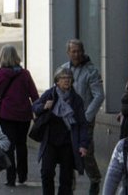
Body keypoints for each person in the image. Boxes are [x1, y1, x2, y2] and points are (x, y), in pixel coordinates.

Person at [35, 66, 91, 195]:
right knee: (46, 172)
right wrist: (44, 106)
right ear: (57, 81)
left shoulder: (76, 100)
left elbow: (82, 124)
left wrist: (83, 144)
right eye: (63, 78)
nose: (67, 80)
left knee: (66, 177)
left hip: (68, 142)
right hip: (50, 141)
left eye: (69, 78)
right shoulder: (51, 94)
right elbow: (35, 106)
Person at [0, 45, 40, 188]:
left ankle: (10, 178)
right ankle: (23, 175)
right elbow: (34, 95)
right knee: (21, 144)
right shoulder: (25, 74)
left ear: (2, 57)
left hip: (6, 115)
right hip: (24, 114)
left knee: (9, 146)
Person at [57, 41, 106, 182]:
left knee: (86, 153)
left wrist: (87, 116)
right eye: (73, 51)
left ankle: (95, 179)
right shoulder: (63, 70)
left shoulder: (91, 71)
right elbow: (57, 92)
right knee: (67, 152)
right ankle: (68, 185)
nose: (76, 54)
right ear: (68, 53)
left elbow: (99, 95)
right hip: (66, 118)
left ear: (83, 51)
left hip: (85, 119)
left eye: (79, 51)